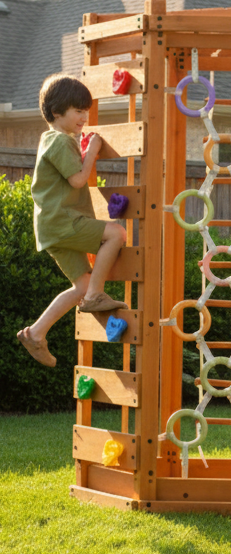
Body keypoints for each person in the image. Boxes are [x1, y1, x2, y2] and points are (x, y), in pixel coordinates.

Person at [17, 75, 128, 367]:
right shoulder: (60, 141)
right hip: (63, 221)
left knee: (81, 285)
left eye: (86, 110)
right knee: (116, 234)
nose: (84, 117)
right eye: (78, 110)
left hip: (51, 227)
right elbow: (78, 180)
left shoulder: (50, 140)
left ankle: (35, 333)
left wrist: (84, 149)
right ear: (57, 112)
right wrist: (92, 150)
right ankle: (95, 296)